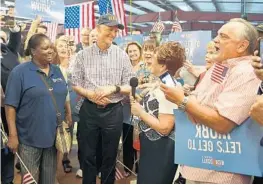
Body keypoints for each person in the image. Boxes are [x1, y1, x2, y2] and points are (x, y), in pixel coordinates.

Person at [160, 18, 260, 184]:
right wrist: (192, 105)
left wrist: (183, 102)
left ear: (242, 46)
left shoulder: (247, 72)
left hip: (222, 174)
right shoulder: (221, 66)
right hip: (198, 164)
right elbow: (197, 97)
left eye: (224, 36)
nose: (215, 40)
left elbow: (222, 123)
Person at [68, 14, 134, 184]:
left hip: (113, 111)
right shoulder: (82, 56)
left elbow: (130, 85)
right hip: (89, 110)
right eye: (109, 29)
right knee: (87, 155)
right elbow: (75, 83)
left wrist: (113, 88)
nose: (113, 33)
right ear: (97, 29)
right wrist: (90, 94)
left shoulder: (121, 55)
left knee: (110, 155)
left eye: (115, 30)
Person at [5, 33, 72, 184]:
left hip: (52, 138)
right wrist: (13, 135)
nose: (50, 51)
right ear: (33, 51)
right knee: (30, 180)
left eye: (51, 47)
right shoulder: (19, 72)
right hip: (29, 139)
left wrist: (68, 113)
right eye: (45, 48)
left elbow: (63, 93)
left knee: (48, 179)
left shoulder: (57, 70)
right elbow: (10, 106)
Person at [130, 41, 184, 183]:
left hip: (161, 149)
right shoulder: (165, 82)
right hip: (153, 147)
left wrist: (140, 112)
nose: (149, 61)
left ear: (163, 65)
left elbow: (165, 127)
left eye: (153, 58)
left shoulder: (168, 88)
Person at [1, 24, 21, 184]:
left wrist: (15, 28)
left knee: (8, 147)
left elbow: (14, 42)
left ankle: (8, 180)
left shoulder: (6, 50)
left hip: (8, 108)